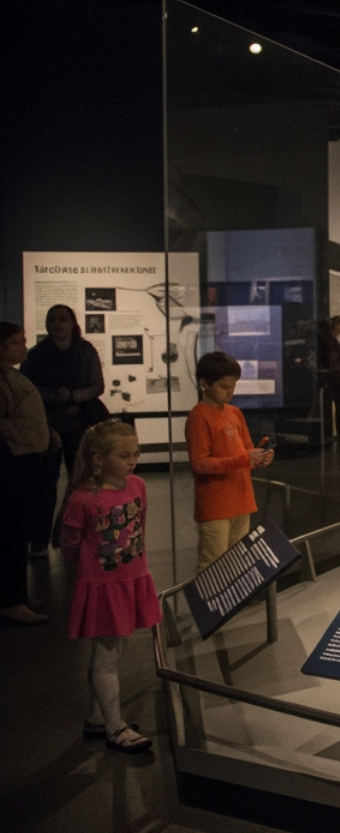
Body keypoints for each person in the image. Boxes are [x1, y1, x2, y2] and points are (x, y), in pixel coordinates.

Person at [60, 420, 161, 754]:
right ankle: (115, 727)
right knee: (106, 658)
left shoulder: (138, 486)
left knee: (113, 652)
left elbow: (140, 529)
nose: (132, 460)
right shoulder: (83, 500)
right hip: (104, 585)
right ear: (99, 458)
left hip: (129, 578)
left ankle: (97, 717)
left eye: (135, 453)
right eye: (124, 455)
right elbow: (70, 544)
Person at [20, 303, 104, 556]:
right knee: (45, 486)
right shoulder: (36, 355)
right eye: (53, 319)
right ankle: (39, 541)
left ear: (72, 322)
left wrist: (75, 395)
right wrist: (57, 396)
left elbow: (97, 385)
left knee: (83, 482)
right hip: (48, 426)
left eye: (63, 319)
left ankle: (78, 536)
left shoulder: (85, 350)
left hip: (82, 424)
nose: (58, 323)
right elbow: (29, 391)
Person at [186, 352, 273, 572]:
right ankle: (211, 607)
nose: (230, 392)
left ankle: (232, 607)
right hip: (216, 503)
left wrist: (258, 458)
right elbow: (200, 464)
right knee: (213, 565)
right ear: (205, 384)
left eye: (233, 387)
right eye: (224, 387)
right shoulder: (199, 416)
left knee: (236, 564)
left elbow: (244, 453)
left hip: (241, 499)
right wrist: (246, 458)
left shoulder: (235, 413)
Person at [0, 322, 56, 624]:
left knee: (18, 530)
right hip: (14, 461)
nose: (24, 346)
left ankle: (16, 595)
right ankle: (11, 599)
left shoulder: (12, 375)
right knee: (12, 531)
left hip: (26, 458)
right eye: (16, 342)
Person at [317, 315, 340, 441]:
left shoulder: (333, 341)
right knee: (337, 405)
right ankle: (336, 429)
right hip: (335, 378)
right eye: (339, 324)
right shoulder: (331, 342)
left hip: (336, 377)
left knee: (338, 405)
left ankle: (337, 429)